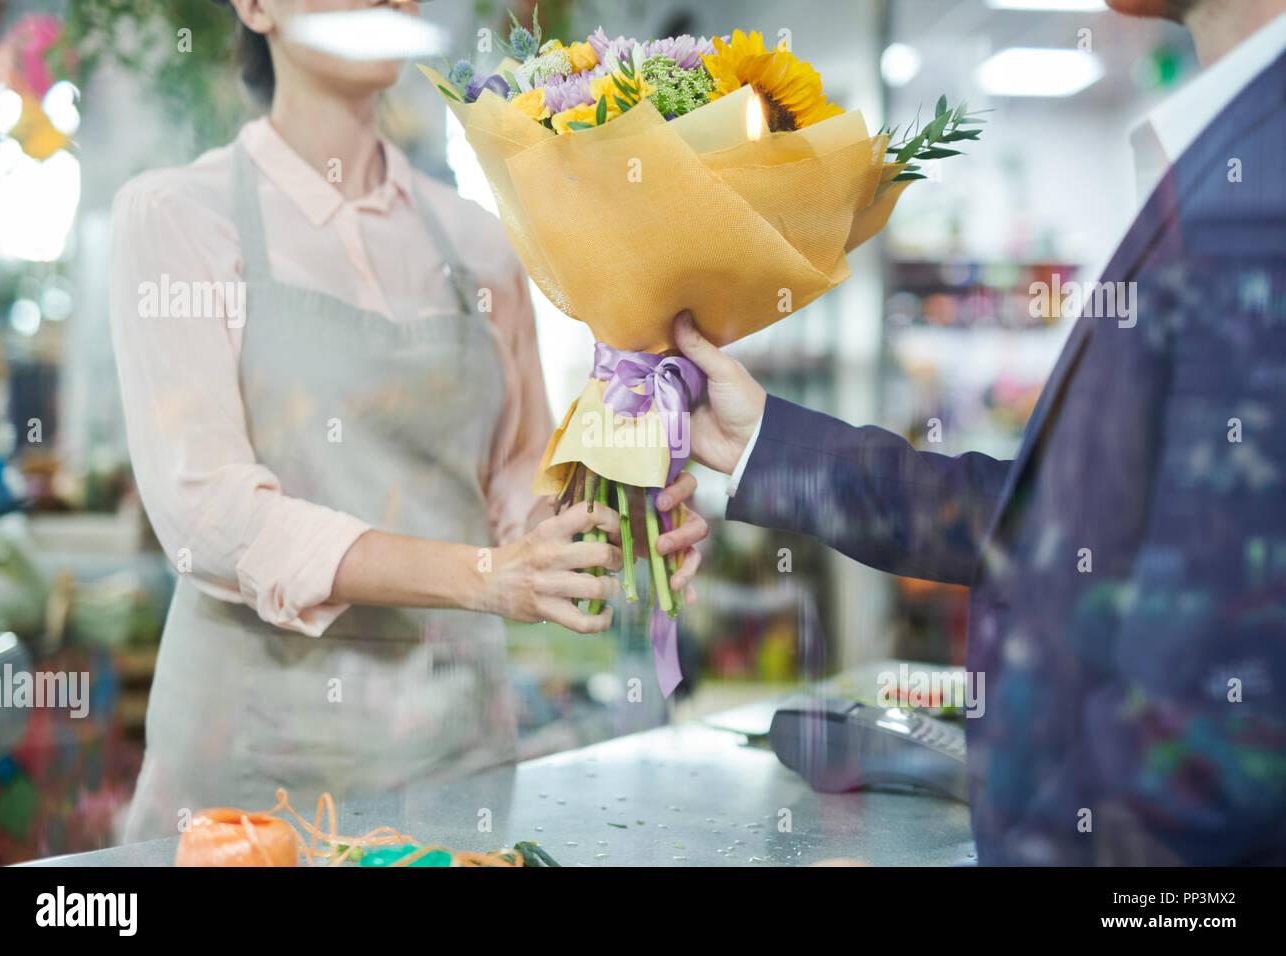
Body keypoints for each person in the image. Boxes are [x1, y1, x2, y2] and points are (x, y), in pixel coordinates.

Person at [672, 0, 1286, 864]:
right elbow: (1054, 523)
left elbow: (1227, 737)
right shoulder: (1230, 147)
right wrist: (766, 445)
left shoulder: (1260, 192)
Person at [108, 0, 705, 842]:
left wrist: (620, 520)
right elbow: (209, 518)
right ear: (253, 7)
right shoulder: (177, 218)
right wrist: (483, 576)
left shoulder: (481, 242)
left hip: (455, 762)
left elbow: (518, 484)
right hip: (256, 775)